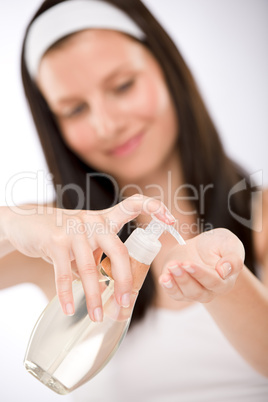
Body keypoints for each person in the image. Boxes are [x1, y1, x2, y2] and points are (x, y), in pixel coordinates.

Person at [0, 0, 268, 400]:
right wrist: (10, 222)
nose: (107, 125)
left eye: (123, 86)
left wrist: (228, 283)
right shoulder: (63, 250)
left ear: (168, 69)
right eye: (74, 109)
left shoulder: (261, 216)